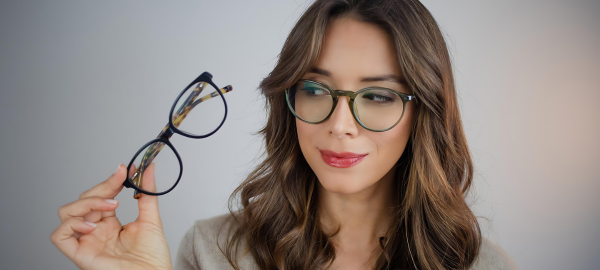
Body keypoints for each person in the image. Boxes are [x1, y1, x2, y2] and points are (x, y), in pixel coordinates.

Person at [51, 0, 518, 269]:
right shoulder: (214, 252)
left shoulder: (482, 267)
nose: (339, 124)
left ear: (425, 113)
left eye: (378, 96)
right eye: (315, 89)